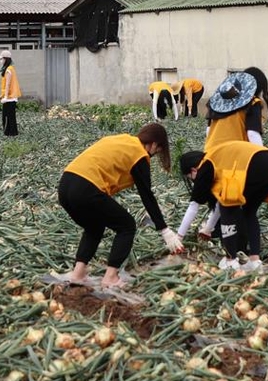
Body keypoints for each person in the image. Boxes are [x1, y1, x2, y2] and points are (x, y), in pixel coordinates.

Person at [57, 123, 185, 289]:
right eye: (158, 150)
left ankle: (78, 274)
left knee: (94, 226)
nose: (154, 155)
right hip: (86, 187)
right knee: (126, 225)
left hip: (66, 185)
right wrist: (165, 230)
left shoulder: (122, 140)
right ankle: (110, 277)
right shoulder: (139, 155)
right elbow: (147, 196)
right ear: (154, 144)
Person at [177, 141, 268, 272]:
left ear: (193, 170)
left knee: (228, 209)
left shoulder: (206, 165)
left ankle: (231, 260)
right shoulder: (217, 159)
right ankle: (255, 261)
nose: (193, 180)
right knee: (249, 212)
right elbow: (220, 201)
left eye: (190, 177)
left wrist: (178, 237)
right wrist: (209, 228)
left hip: (254, 165)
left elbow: (194, 206)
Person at [204, 69, 268, 152]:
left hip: (210, 153)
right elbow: (252, 134)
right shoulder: (252, 102)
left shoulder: (219, 103)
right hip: (234, 154)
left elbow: (208, 131)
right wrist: (263, 154)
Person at [0, 50, 21, 136]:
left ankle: (9, 133)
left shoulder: (8, 70)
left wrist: (6, 97)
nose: (1, 61)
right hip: (11, 97)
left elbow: (7, 84)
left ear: (5, 59)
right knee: (11, 116)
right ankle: (13, 133)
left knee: (7, 117)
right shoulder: (11, 68)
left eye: (1, 59)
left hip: (9, 98)